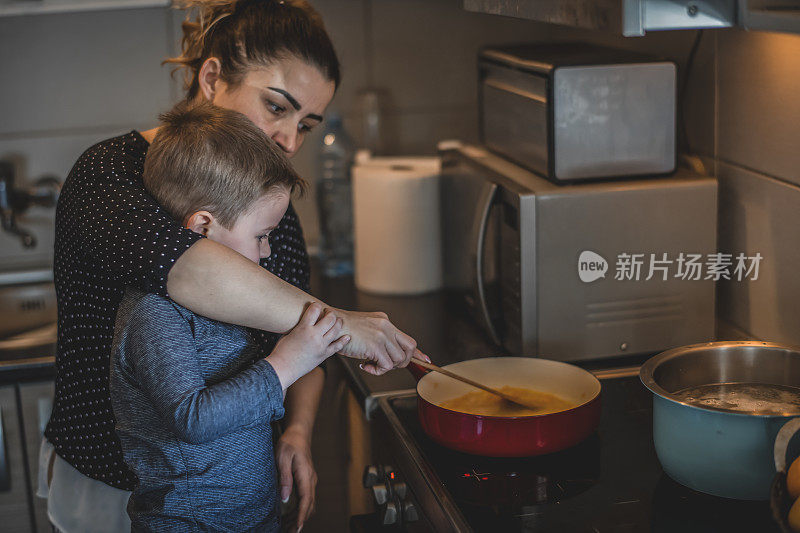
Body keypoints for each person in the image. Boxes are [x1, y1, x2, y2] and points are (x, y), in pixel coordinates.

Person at [40, 1, 425, 531]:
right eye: (277, 107)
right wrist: (342, 323)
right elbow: (184, 269)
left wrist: (296, 431)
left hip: (232, 492)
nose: (290, 140)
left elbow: (297, 341)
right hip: (112, 485)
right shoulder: (108, 174)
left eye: (307, 124)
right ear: (213, 77)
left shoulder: (268, 211)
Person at [110, 100, 339, 532]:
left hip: (253, 516)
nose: (268, 251)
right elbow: (193, 419)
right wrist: (288, 361)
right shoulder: (154, 313)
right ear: (201, 228)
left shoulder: (222, 301)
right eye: (262, 235)